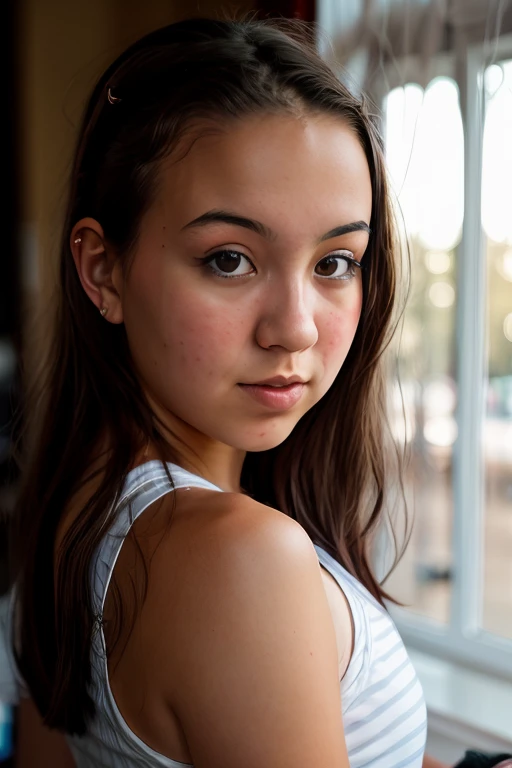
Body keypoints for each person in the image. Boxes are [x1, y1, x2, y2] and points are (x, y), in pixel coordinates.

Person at [8, 15, 437, 768]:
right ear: (102, 270)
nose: (296, 329)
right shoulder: (242, 561)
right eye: (231, 260)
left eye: (335, 262)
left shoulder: (74, 512)